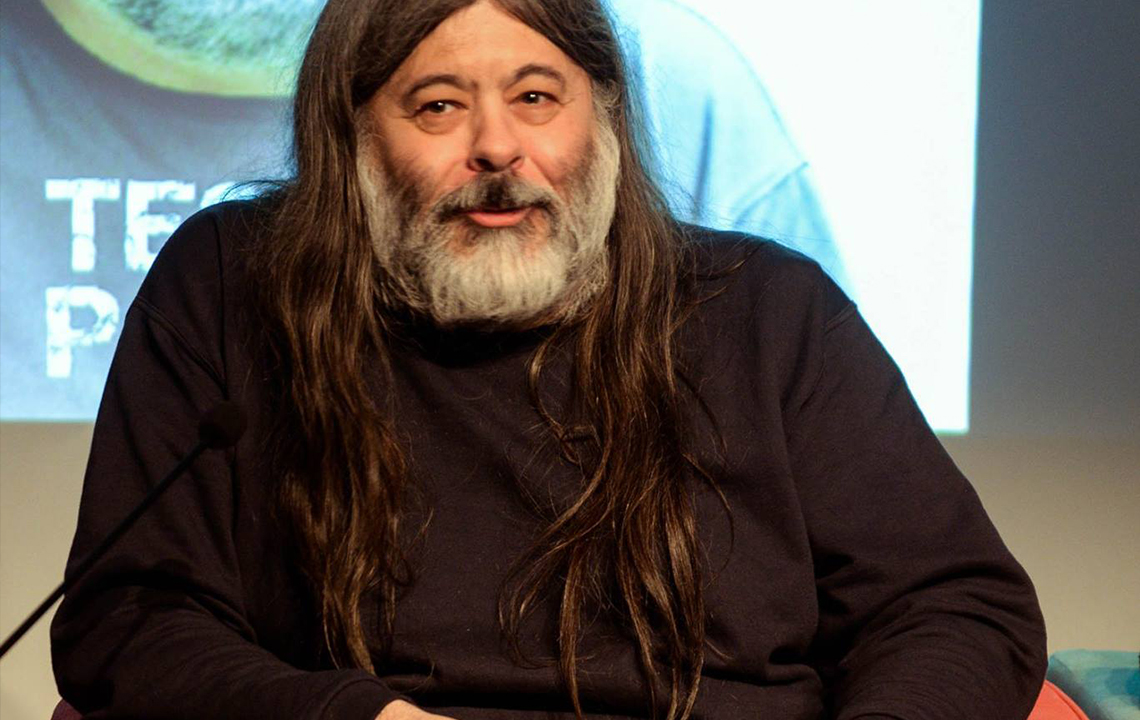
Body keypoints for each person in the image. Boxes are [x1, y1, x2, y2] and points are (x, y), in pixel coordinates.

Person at [51, 1, 1046, 719]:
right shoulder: (234, 286)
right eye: (438, 106)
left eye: (537, 97)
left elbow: (954, 605)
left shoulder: (767, 310)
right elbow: (130, 615)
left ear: (602, 118)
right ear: (352, 138)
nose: (497, 147)